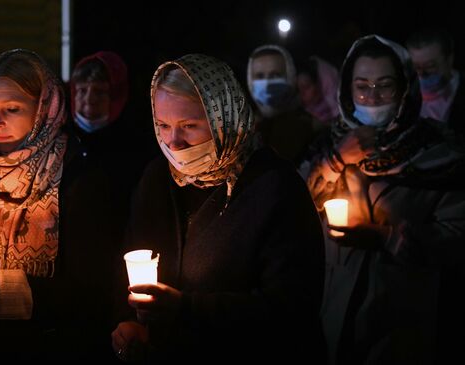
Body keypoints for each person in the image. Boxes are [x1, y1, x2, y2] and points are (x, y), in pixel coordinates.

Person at [111, 54, 326, 363]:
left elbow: (291, 306)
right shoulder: (157, 179)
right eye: (163, 125)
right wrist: (129, 321)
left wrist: (184, 308)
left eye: (189, 125)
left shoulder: (273, 185)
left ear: (223, 117)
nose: (174, 142)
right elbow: (125, 263)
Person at [0, 49, 122, 362]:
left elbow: (94, 293)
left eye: (11, 108)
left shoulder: (77, 179)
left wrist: (0, 289)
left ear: (44, 108)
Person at [303, 34, 465, 364]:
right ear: (347, 91)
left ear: (405, 87)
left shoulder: (437, 153)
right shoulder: (325, 146)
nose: (372, 98)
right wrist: (336, 160)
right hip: (330, 318)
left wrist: (389, 238)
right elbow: (290, 209)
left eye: (385, 86)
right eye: (362, 86)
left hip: (403, 324)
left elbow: (458, 237)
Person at [69, 51, 156, 227]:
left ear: (117, 96)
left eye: (100, 92)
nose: (89, 99)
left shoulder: (136, 146)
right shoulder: (60, 139)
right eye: (82, 90)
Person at [247, 44, 317, 164]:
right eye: (260, 76)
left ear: (290, 76)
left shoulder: (310, 126)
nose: (267, 83)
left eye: (275, 75)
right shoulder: (243, 127)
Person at [406, 28, 464, 136]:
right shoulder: (408, 89)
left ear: (449, 59)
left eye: (430, 66)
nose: (422, 74)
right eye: (417, 67)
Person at [297, 55, 341, 128]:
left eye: (306, 87)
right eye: (298, 89)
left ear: (317, 83)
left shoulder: (329, 82)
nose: (302, 93)